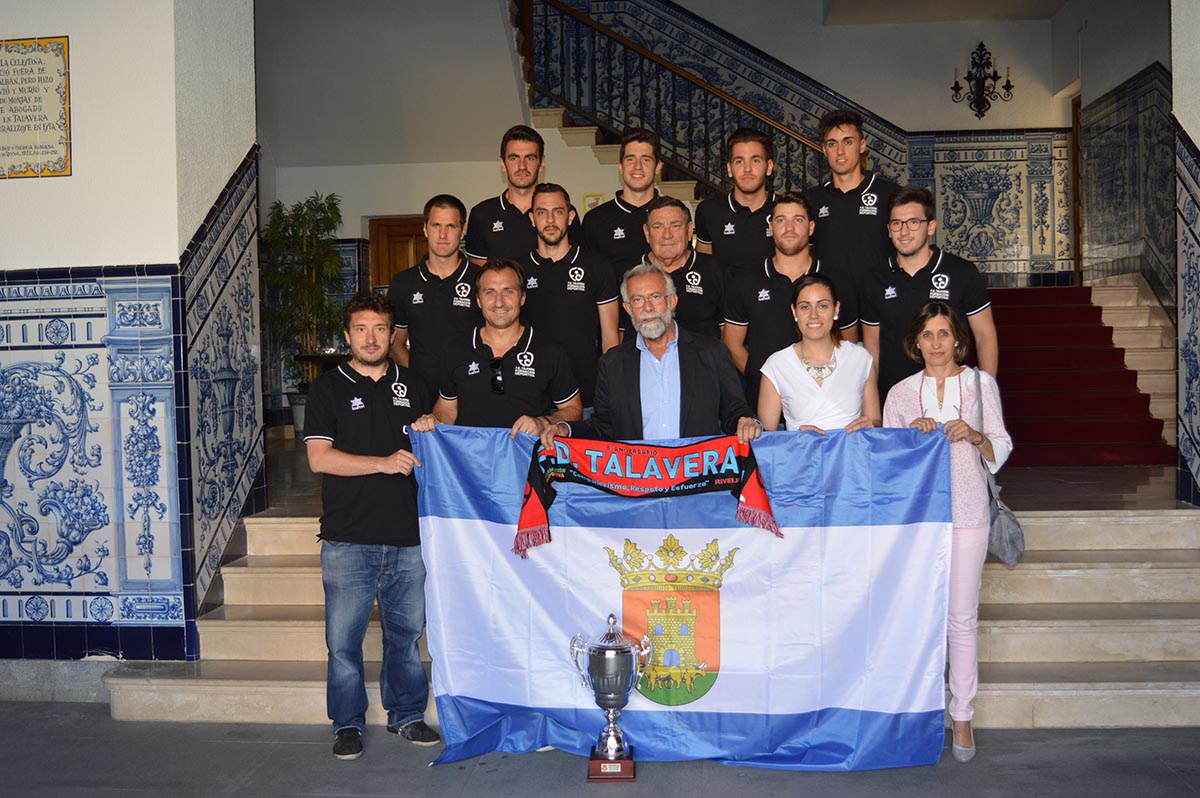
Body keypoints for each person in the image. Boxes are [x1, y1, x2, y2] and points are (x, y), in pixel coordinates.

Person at [303, 292, 441, 760]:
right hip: (348, 538)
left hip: (408, 536)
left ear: (391, 333)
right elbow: (319, 458)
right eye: (361, 329)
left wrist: (431, 426)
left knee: (405, 637)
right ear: (347, 335)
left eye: (380, 328)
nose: (370, 337)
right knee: (343, 642)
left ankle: (407, 715)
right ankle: (347, 723)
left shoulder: (416, 385)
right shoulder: (327, 388)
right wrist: (382, 464)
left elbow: (439, 442)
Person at [882, 301, 1012, 764]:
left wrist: (975, 435)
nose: (936, 344)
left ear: (958, 339)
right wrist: (909, 438)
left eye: (944, 334)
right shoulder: (899, 394)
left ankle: (961, 713)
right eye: (927, 335)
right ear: (915, 342)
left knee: (960, 617)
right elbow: (886, 462)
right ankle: (920, 708)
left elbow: (1001, 445)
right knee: (917, 615)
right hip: (916, 521)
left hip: (968, 513)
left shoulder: (980, 384)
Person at [541, 262, 761, 444]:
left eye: (655, 297)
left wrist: (748, 422)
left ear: (672, 301)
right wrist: (565, 431)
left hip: (697, 484)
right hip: (639, 487)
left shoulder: (712, 353)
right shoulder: (612, 363)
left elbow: (734, 411)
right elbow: (602, 429)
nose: (647, 308)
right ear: (628, 309)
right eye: (637, 300)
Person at [860, 185, 999, 401]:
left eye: (914, 222)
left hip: (954, 396)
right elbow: (872, 347)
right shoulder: (874, 279)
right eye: (896, 224)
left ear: (931, 226)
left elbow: (984, 335)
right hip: (896, 399)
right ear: (888, 230)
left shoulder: (962, 272)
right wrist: (872, 403)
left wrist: (986, 393)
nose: (904, 232)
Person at [415, 259, 582, 437]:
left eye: (508, 291)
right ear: (478, 300)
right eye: (490, 292)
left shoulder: (550, 351)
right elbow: (447, 409)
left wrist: (543, 422)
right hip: (471, 461)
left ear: (523, 297)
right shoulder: (457, 349)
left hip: (527, 460)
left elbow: (574, 410)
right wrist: (434, 419)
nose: (499, 302)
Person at [723, 192, 857, 413]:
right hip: (763, 409)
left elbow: (848, 341)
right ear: (771, 227)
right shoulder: (746, 281)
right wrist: (762, 376)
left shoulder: (836, 280)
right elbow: (732, 343)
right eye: (780, 220)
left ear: (811, 227)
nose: (789, 228)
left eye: (798, 219)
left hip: (826, 407)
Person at [522, 182, 620, 409]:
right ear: (532, 219)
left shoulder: (597, 266)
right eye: (541, 212)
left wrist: (614, 391)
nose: (549, 220)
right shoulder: (518, 269)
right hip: (531, 396)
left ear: (570, 216)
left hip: (587, 394)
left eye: (558, 212)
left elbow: (610, 338)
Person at [757, 273, 879, 434]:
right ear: (794, 312)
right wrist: (795, 438)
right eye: (805, 307)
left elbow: (876, 422)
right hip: (800, 457)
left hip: (851, 456)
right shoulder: (776, 365)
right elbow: (767, 439)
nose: (814, 315)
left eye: (822, 306)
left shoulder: (860, 358)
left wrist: (871, 425)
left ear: (836, 309)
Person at [803, 109, 900, 307]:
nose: (840, 151)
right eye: (832, 144)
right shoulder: (811, 199)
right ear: (824, 149)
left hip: (881, 303)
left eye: (848, 142)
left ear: (862, 145)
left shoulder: (889, 194)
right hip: (831, 308)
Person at [388, 194, 481, 395]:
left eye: (451, 227)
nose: (442, 235)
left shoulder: (482, 280)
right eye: (436, 225)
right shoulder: (403, 283)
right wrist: (416, 379)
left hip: (472, 392)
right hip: (421, 395)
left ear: (463, 231)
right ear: (425, 229)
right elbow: (395, 343)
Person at [464, 125, 580, 264]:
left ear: (542, 163)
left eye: (530, 158)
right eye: (514, 158)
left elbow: (576, 264)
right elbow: (480, 277)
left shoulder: (562, 213)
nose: (522, 166)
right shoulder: (481, 214)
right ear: (503, 163)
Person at [624, 196, 726, 339]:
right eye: (658, 227)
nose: (667, 235)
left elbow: (728, 333)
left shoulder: (714, 269)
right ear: (647, 233)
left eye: (675, 225)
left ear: (689, 230)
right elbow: (620, 334)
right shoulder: (630, 274)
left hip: (704, 360)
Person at [694, 127, 776, 272]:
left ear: (769, 167)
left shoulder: (786, 210)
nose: (747, 169)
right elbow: (703, 269)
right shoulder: (709, 211)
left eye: (755, 160)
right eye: (739, 161)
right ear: (729, 169)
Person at [582, 128, 662, 271]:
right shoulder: (595, 220)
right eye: (630, 159)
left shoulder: (674, 216)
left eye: (646, 159)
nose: (638, 167)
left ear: (658, 167)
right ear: (620, 166)